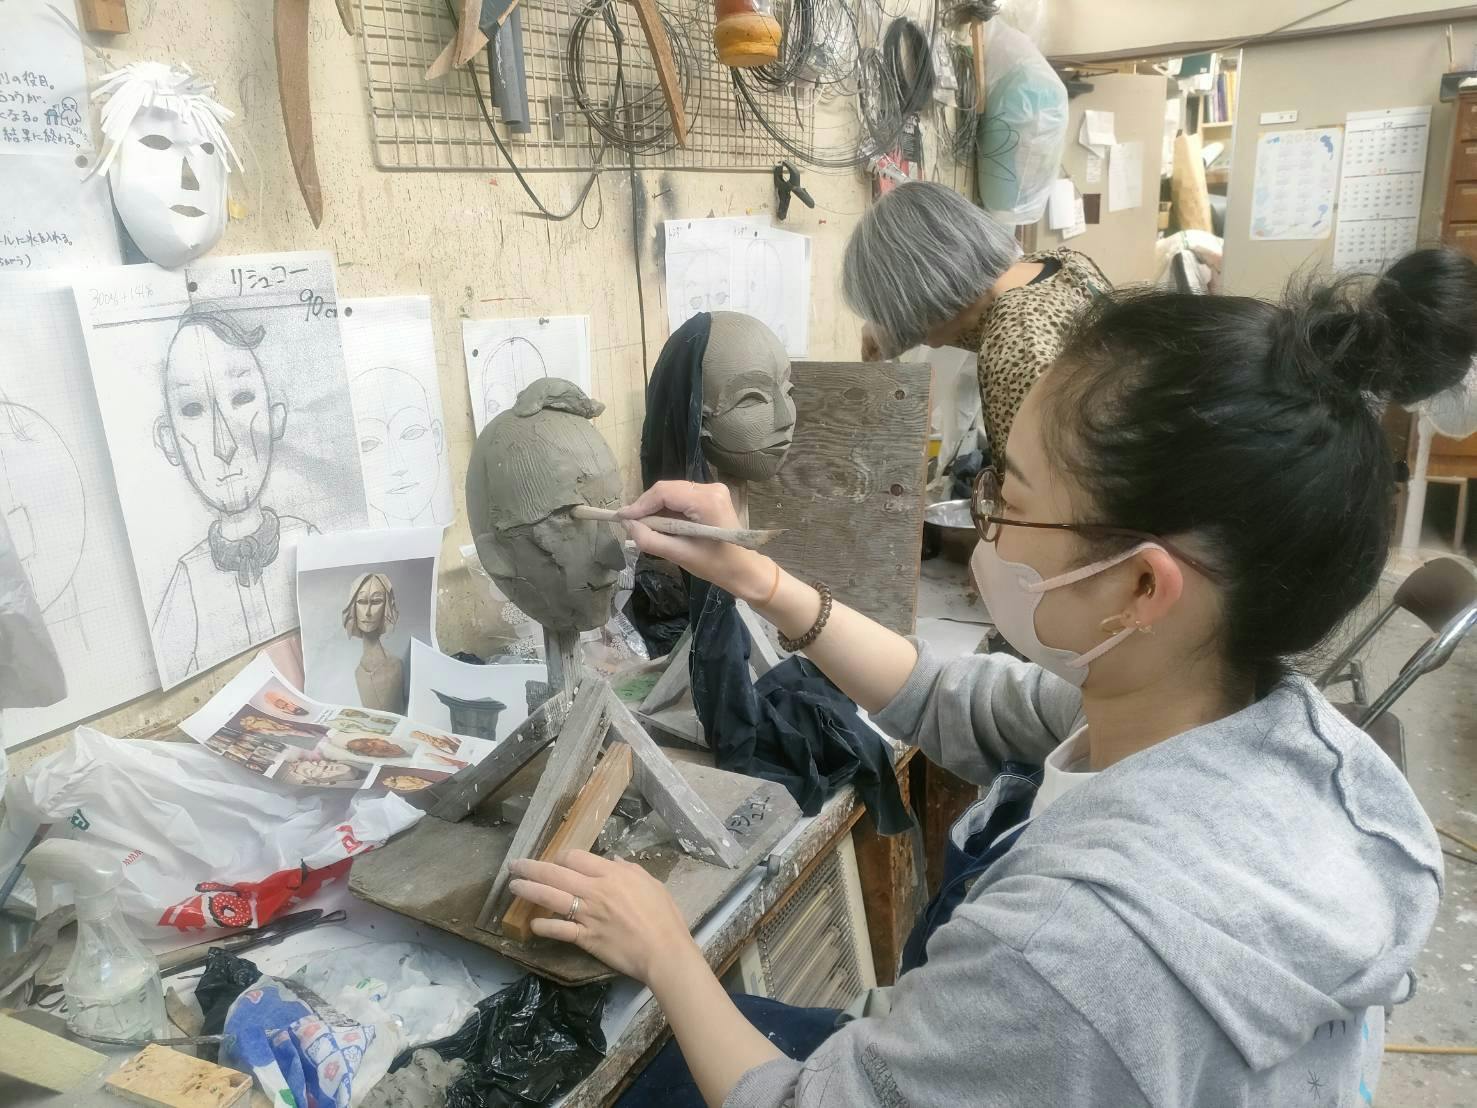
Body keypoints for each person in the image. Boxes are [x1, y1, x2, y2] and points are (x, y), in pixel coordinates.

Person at [507, 248, 1475, 1107]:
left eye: (1004, 495)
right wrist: (758, 579)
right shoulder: (1232, 720)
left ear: (1141, 586)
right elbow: (952, 699)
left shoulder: (1070, 952)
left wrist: (668, 952)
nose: (986, 524)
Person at [843, 180, 1109, 461]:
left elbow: (1033, 485)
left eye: (894, 310)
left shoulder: (1015, 350)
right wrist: (894, 332)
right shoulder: (1060, 264)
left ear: (923, 290)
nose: (897, 321)